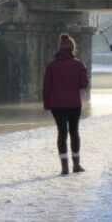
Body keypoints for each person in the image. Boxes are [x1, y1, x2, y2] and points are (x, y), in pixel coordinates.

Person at [42, 32, 90, 175]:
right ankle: (76, 165)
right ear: (72, 48)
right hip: (74, 104)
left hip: (56, 105)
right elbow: (84, 84)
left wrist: (47, 103)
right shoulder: (79, 64)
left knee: (61, 133)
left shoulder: (52, 65)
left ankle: (64, 167)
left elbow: (46, 87)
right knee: (74, 132)